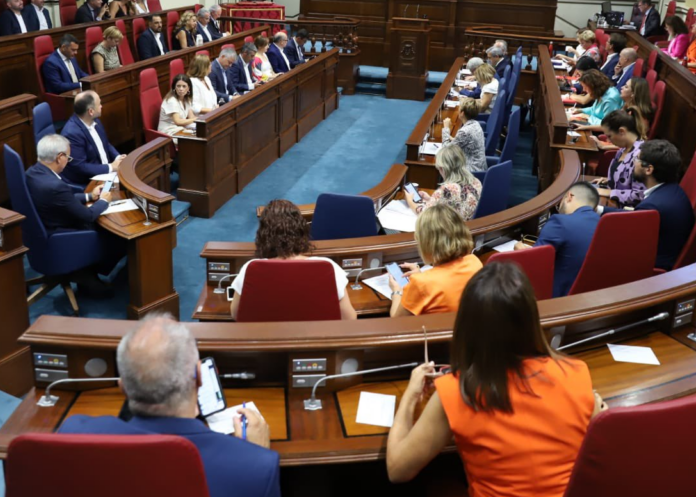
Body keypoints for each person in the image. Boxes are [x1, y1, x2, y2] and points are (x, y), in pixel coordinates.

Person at [386, 263, 597, 495]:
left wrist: (410, 395)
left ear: (467, 325)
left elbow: (397, 470)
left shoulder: (457, 390)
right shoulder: (577, 372)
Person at [58, 315, 280, 497]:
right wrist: (257, 450)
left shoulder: (73, 432)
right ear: (199, 379)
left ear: (122, 388)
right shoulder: (257, 466)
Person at [229, 199, 357, 321]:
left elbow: (236, 315)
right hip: (316, 341)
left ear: (263, 236)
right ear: (301, 231)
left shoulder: (251, 268)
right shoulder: (328, 267)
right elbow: (349, 318)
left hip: (266, 341)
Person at [24, 134, 122, 293]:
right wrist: (104, 201)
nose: (68, 161)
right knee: (116, 235)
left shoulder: (33, 173)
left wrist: (89, 196)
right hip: (61, 235)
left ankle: (86, 271)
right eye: (68, 158)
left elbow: (62, 199)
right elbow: (88, 216)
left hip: (42, 231)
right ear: (59, 157)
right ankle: (87, 275)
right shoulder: (55, 185)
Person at [604, 139, 694, 271]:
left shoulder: (652, 207)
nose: (634, 163)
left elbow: (628, 241)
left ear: (648, 169)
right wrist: (600, 209)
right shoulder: (673, 189)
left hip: (649, 269)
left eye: (637, 159)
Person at [387, 205, 483, 316]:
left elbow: (397, 321)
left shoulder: (420, 283)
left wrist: (397, 291)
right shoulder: (474, 262)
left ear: (426, 242)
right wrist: (422, 275)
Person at [516, 182, 601, 297]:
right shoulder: (605, 225)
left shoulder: (560, 221)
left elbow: (534, 265)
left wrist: (520, 252)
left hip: (556, 301)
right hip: (591, 298)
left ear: (569, 196)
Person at [60, 91, 124, 187]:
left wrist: (118, 158)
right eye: (99, 104)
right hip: (89, 181)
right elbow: (80, 167)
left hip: (106, 171)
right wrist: (111, 167)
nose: (101, 106)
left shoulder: (94, 120)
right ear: (91, 111)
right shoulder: (72, 133)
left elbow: (105, 143)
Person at [404, 143, 482, 221]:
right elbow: (453, 203)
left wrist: (410, 201)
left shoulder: (447, 189)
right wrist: (430, 199)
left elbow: (423, 214)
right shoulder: (476, 181)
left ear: (442, 168)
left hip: (452, 230)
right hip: (470, 226)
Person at [593, 109, 647, 207]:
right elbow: (624, 177)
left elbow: (640, 195)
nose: (608, 140)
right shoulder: (623, 149)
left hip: (624, 212)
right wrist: (609, 180)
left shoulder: (641, 156)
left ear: (622, 131)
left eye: (609, 136)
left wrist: (609, 193)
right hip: (612, 201)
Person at [442, 98, 487, 174]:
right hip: (480, 167)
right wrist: (452, 138)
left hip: (471, 172)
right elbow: (465, 142)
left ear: (462, 113)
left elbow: (446, 150)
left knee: (442, 162)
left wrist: (446, 128)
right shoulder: (476, 124)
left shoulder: (465, 131)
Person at [158, 74, 197, 139]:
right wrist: (196, 119)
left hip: (179, 128)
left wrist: (198, 122)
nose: (181, 89)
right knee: (195, 140)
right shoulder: (171, 101)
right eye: (178, 86)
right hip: (168, 132)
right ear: (174, 88)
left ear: (188, 88)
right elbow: (178, 121)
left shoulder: (186, 99)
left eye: (184, 86)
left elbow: (191, 117)